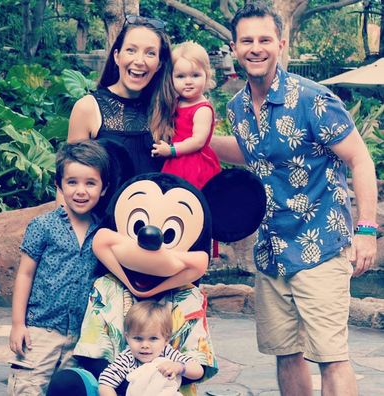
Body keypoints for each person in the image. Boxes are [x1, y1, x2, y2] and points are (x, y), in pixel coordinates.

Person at [210, 2, 377, 396]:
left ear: (281, 44)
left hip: (319, 244)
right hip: (271, 252)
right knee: (286, 354)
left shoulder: (313, 99)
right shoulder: (237, 109)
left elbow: (360, 158)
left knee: (331, 357)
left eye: (265, 39)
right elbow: (251, 152)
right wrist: (192, 145)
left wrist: (366, 229)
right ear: (234, 47)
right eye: (246, 40)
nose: (256, 48)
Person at [8, 140, 110, 395]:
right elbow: (25, 274)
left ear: (104, 188)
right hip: (39, 331)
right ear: (59, 185)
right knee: (27, 388)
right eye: (72, 182)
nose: (81, 191)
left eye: (90, 183)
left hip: (79, 338)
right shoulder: (43, 226)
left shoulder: (103, 233)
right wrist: (18, 324)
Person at [61, 14, 176, 210]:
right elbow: (69, 182)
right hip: (101, 231)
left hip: (155, 230)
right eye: (131, 50)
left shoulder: (167, 109)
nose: (139, 61)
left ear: (159, 64)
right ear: (117, 56)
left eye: (150, 53)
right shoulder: (88, 108)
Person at [151, 41, 221, 190]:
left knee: (189, 198)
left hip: (194, 164)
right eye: (181, 76)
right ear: (171, 78)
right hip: (176, 162)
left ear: (207, 75)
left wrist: (171, 150)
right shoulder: (176, 102)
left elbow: (198, 141)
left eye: (195, 75)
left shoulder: (202, 109)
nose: (188, 82)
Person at [98, 300, 204, 396]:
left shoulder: (167, 352)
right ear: (127, 337)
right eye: (138, 338)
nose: (145, 345)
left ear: (166, 339)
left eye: (153, 338)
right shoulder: (127, 358)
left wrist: (179, 367)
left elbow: (198, 371)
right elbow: (105, 383)